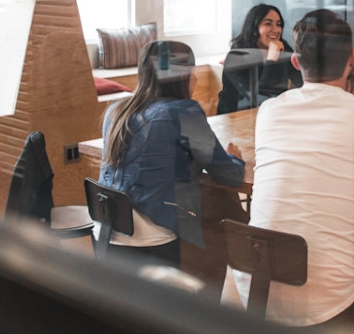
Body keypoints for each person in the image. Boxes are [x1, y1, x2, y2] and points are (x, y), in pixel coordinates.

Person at [234, 9, 354, 334]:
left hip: (254, 289)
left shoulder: (270, 111)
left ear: (295, 62)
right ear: (352, 59)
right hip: (327, 303)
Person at [99, 40, 246, 269]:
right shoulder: (184, 113)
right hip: (153, 240)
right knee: (221, 211)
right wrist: (235, 157)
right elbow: (230, 176)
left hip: (108, 234)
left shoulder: (115, 111)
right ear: (184, 75)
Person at [216, 4, 303, 114]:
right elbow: (261, 98)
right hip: (235, 119)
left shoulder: (282, 49)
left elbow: (302, 82)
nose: (276, 30)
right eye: (268, 24)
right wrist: (272, 59)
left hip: (272, 115)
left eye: (279, 24)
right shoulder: (236, 57)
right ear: (254, 28)